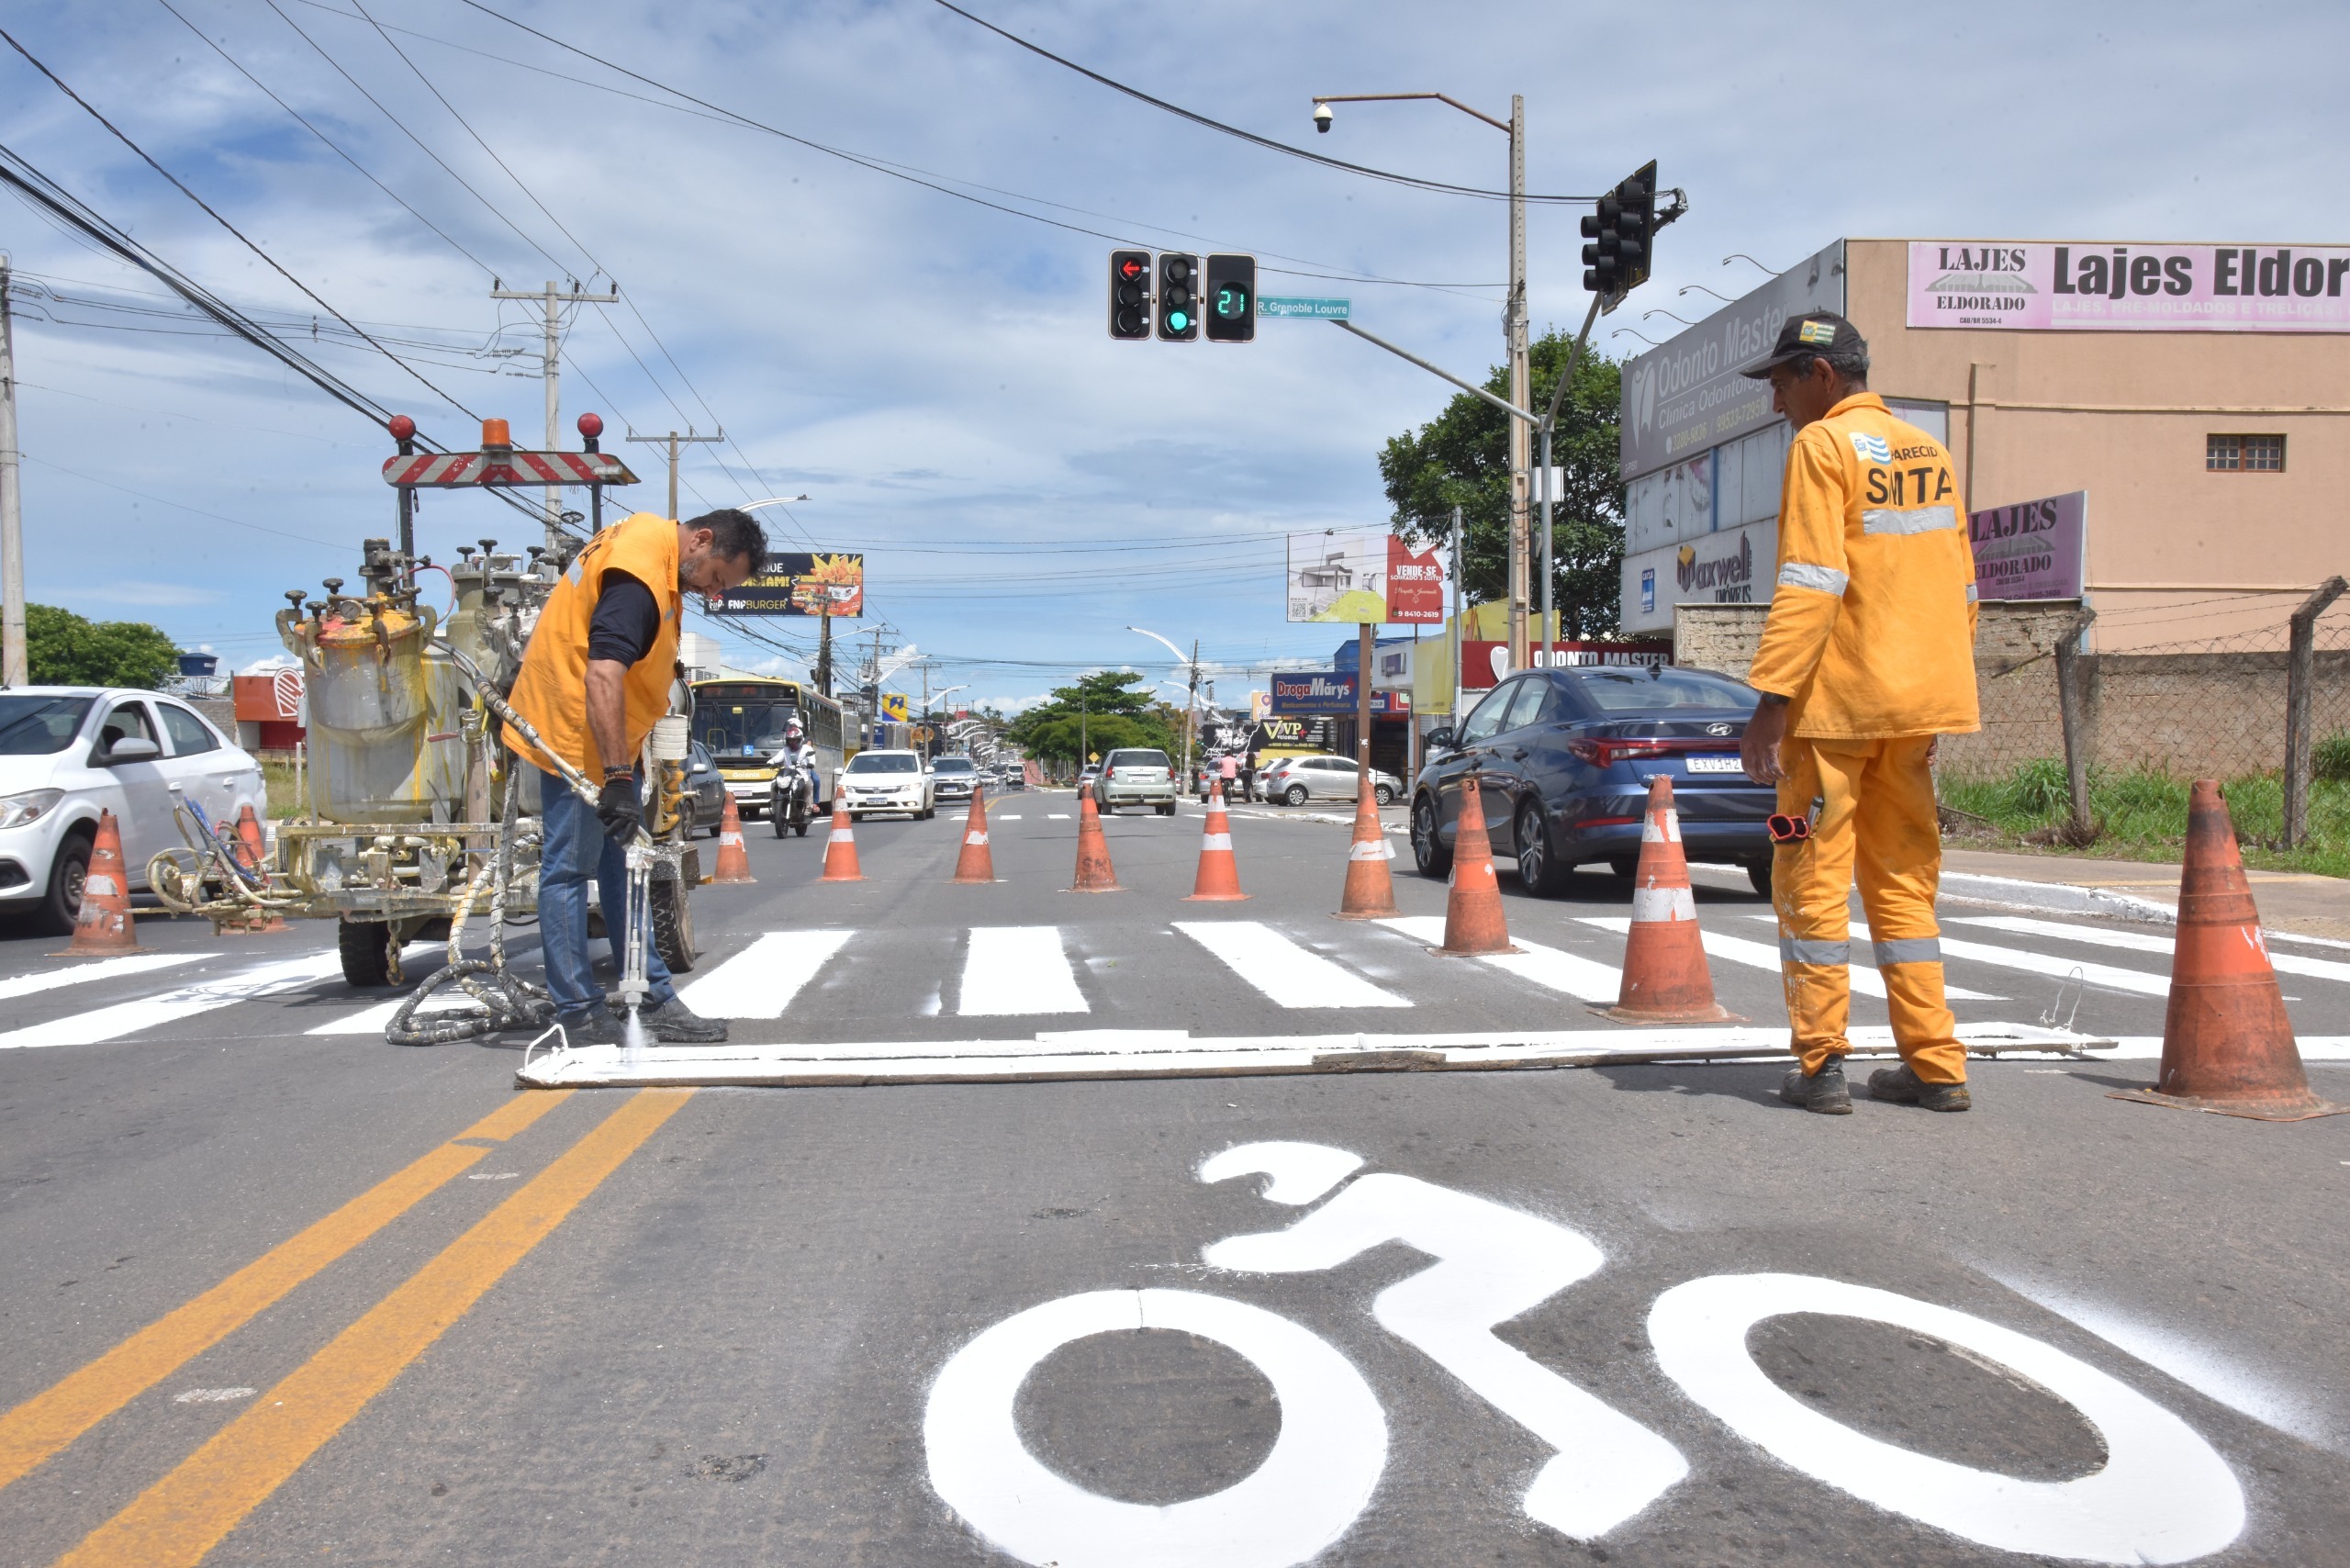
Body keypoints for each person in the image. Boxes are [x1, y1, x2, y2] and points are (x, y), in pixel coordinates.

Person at [1735, 313, 1980, 1116]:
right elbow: (1962, 588)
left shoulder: (1822, 448)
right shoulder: (1930, 454)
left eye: (1780, 383)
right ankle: (1937, 1066)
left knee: (1806, 873)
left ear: (1821, 376)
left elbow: (1810, 581)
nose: (1777, 403)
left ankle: (1820, 1064)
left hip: (1832, 715)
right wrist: (1934, 694)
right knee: (1905, 884)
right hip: (1912, 712)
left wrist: (1771, 704)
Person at [505, 508, 765, 1044]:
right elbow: (603, 672)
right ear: (702, 539)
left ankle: (650, 997)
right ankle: (576, 1012)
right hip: (576, 734)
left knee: (626, 867)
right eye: (717, 577)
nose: (714, 592)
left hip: (604, 736)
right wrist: (619, 777)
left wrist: (629, 761)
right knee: (569, 869)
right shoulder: (642, 574)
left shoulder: (655, 552)